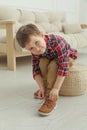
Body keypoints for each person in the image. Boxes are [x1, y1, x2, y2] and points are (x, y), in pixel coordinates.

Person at [16, 24, 77, 116]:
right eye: (31, 48)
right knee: (42, 62)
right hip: (50, 57)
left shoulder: (58, 42)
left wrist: (56, 89)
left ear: (41, 35)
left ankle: (51, 98)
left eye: (36, 42)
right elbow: (35, 69)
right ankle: (45, 88)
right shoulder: (36, 51)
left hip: (67, 57)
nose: (37, 49)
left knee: (53, 65)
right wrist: (41, 86)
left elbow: (63, 68)